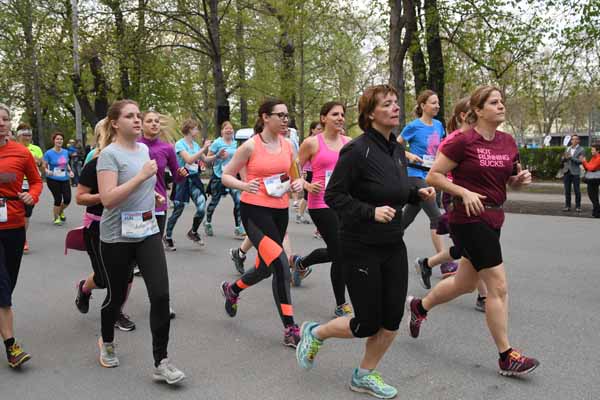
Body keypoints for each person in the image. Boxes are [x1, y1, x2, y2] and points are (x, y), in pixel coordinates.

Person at [296, 85, 435, 399]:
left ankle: (364, 375)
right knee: (367, 323)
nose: (396, 108)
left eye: (396, 102)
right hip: (359, 244)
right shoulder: (357, 150)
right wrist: (369, 212)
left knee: (392, 319)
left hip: (392, 243)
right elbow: (334, 195)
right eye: (387, 104)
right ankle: (315, 332)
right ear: (371, 114)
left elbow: (393, 188)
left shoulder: (396, 150)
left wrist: (416, 192)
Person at [406, 85, 540, 377]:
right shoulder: (462, 141)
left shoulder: (507, 142)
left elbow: (510, 181)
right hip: (468, 218)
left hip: (494, 216)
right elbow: (434, 176)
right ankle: (506, 356)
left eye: (502, 101)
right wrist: (462, 192)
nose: (501, 106)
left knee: (464, 284)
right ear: (478, 111)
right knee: (498, 287)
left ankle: (419, 307)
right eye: (494, 102)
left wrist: (519, 180)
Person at [96, 99, 185, 383]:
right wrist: (143, 177)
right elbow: (108, 199)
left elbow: (141, 186)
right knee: (116, 297)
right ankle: (107, 340)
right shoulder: (108, 155)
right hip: (116, 237)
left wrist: (153, 194)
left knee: (160, 295)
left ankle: (162, 361)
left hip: (147, 231)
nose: (137, 120)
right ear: (115, 123)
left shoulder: (145, 149)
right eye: (130, 116)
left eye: (138, 116)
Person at [220, 99, 304, 348]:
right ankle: (290, 327)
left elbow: (295, 174)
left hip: (279, 212)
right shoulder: (249, 146)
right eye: (280, 115)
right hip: (254, 211)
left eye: (287, 115)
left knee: (264, 269)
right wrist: (244, 185)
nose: (285, 120)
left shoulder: (289, 145)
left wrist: (298, 184)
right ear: (265, 117)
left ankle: (232, 289)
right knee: (280, 265)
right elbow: (226, 175)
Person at [413, 98, 488, 311]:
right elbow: (437, 172)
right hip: (456, 198)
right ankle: (483, 296)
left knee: (467, 249)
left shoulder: (479, 139)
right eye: (475, 111)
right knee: (475, 249)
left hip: (474, 198)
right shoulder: (454, 139)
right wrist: (457, 189)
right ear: (464, 116)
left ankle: (426, 264)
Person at [292, 102, 351, 317]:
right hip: (320, 203)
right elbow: (294, 167)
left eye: (342, 114)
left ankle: (302, 263)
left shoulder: (349, 143)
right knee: (340, 252)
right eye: (335, 114)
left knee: (340, 251)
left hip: (344, 203)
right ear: (323, 118)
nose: (340, 118)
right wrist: (306, 185)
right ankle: (341, 304)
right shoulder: (311, 143)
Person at [74, 130, 136, 332]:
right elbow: (80, 197)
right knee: (103, 277)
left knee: (126, 274)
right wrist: (106, 195)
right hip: (97, 226)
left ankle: (116, 312)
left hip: (126, 225)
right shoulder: (95, 164)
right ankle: (85, 287)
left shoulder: (130, 165)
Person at [0, 104, 43, 367]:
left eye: (5, 119)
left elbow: (36, 181)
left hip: (14, 224)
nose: (2, 123)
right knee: (2, 287)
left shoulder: (20, 152)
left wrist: (33, 196)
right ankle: (11, 346)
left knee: (9, 284)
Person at [399, 90, 457, 277]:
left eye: (438, 102)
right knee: (437, 218)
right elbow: (395, 145)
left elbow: (441, 149)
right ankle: (444, 263)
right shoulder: (413, 126)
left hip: (432, 176)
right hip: (415, 175)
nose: (437, 106)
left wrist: (445, 170)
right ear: (423, 105)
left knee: (407, 217)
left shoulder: (439, 125)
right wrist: (408, 155)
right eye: (433, 103)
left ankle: (385, 239)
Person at [164, 119, 221, 251]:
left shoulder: (195, 145)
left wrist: (217, 155)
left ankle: (193, 232)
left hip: (194, 179)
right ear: (189, 129)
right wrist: (204, 148)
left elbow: (205, 160)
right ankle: (168, 236)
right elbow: (189, 159)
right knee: (178, 210)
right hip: (182, 179)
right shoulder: (180, 144)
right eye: (196, 128)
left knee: (201, 207)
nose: (197, 131)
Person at [204, 121, 245, 239]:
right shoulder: (217, 143)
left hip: (232, 177)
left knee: (238, 201)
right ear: (222, 131)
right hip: (218, 177)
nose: (229, 130)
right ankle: (208, 222)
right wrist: (218, 156)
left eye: (231, 129)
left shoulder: (236, 144)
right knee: (214, 201)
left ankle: (238, 227)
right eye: (226, 128)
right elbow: (207, 159)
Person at [16, 123, 43, 253]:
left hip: (30, 185)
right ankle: (20, 238)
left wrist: (38, 161)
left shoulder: (36, 149)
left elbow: (42, 166)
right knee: (14, 212)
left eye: (29, 135)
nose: (28, 137)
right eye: (25, 135)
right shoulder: (13, 148)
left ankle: (22, 238)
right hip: (15, 185)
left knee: (26, 214)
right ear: (18, 136)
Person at [43, 132, 75, 225]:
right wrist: (47, 171)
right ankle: (56, 218)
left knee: (67, 199)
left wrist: (70, 171)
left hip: (64, 178)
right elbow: (44, 166)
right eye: (57, 139)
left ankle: (60, 211)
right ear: (54, 140)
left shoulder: (65, 152)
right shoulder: (48, 153)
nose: (59, 141)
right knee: (58, 199)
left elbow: (66, 163)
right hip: (52, 179)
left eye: (61, 139)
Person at [295, 122, 322, 225]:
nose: (320, 131)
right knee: (307, 195)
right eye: (318, 129)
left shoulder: (320, 141)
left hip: (316, 171)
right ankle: (299, 215)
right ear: (312, 130)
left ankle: (303, 212)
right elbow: (299, 160)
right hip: (308, 171)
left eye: (321, 129)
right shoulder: (309, 142)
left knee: (311, 194)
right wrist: (302, 172)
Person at [561, 134, 584, 212]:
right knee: (567, 190)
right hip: (566, 171)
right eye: (572, 139)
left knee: (577, 190)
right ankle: (567, 206)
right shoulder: (567, 148)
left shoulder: (581, 150)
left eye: (575, 139)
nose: (573, 141)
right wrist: (564, 158)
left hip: (575, 172)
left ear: (578, 141)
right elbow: (563, 159)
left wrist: (571, 157)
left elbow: (580, 161)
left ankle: (578, 206)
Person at [580, 144, 600, 217]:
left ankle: (597, 211)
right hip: (592, 178)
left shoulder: (599, 158)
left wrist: (585, 162)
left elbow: (591, 168)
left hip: (595, 179)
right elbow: (588, 167)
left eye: (593, 150)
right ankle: (596, 211)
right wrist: (583, 162)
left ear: (597, 151)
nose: (591, 151)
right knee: (593, 195)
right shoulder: (593, 157)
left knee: (592, 195)